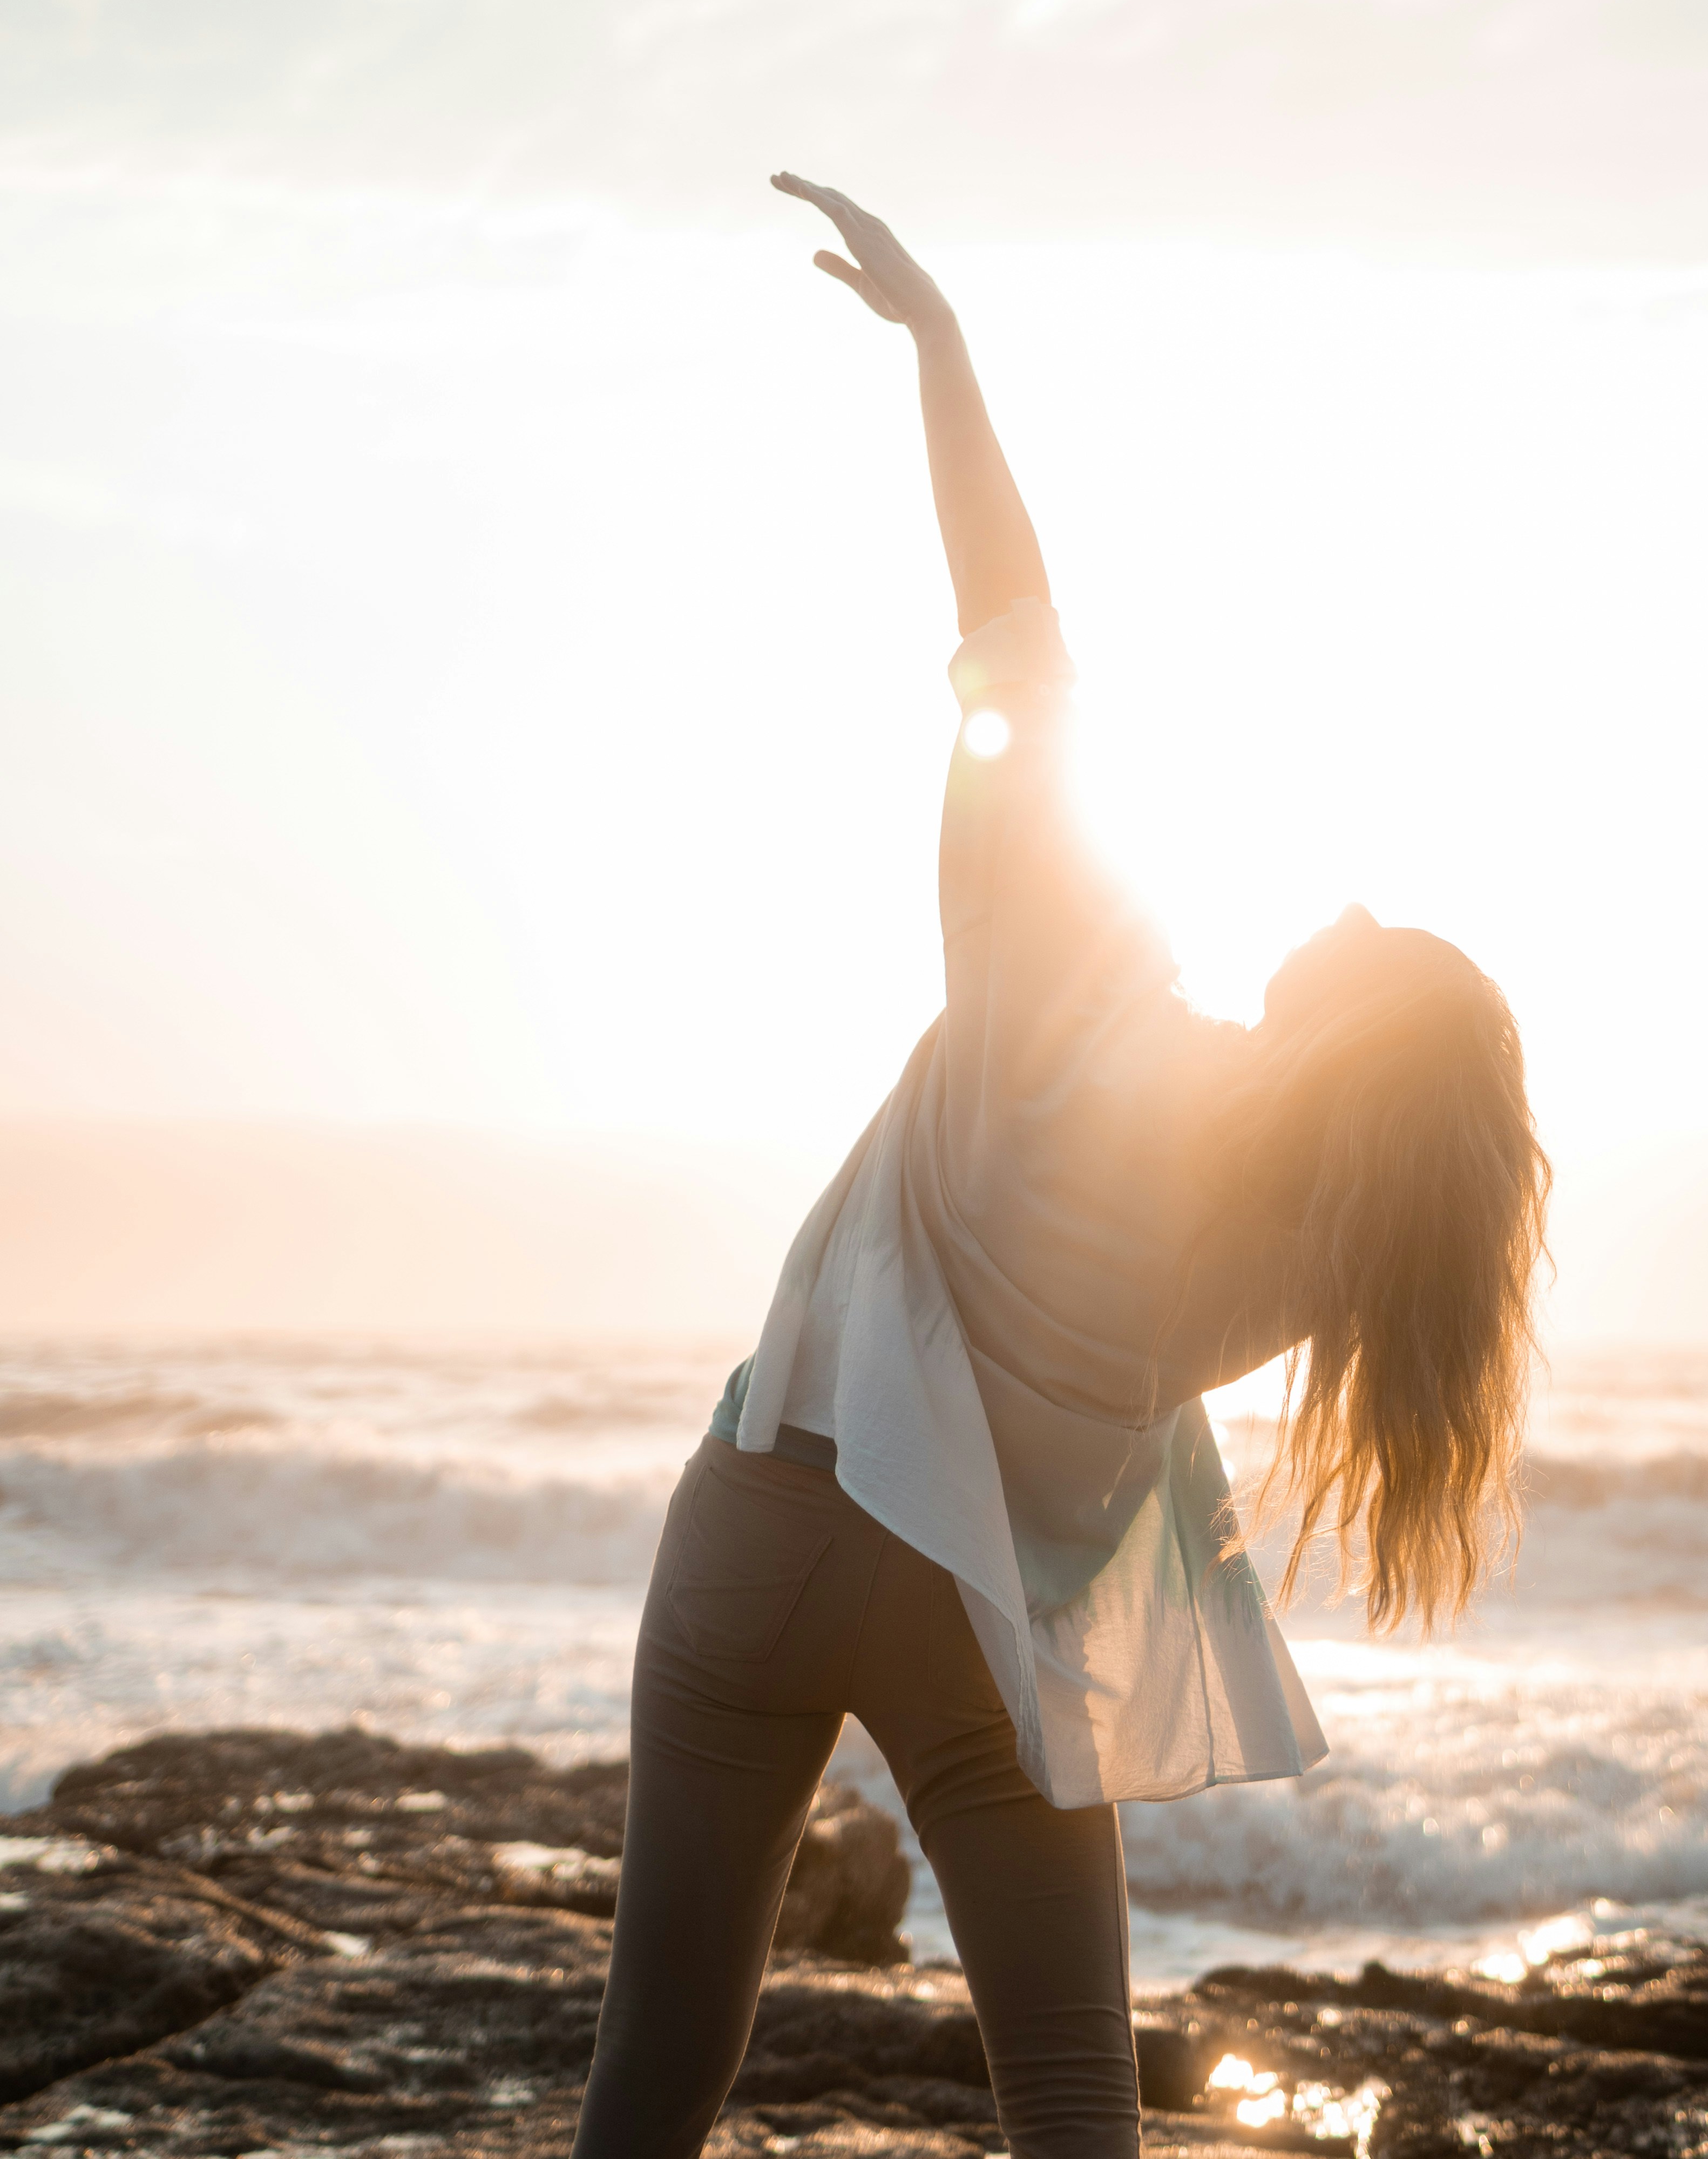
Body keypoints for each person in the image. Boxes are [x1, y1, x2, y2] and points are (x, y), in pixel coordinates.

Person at [570, 177, 1551, 2159]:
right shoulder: (1309, 1260)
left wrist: (943, 353)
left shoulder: (1094, 987)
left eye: (1380, 933)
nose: (1348, 897)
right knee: (1075, 2104)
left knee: (659, 2075)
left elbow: (1012, 627)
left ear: (1350, 1033)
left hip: (765, 1521)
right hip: (975, 1621)